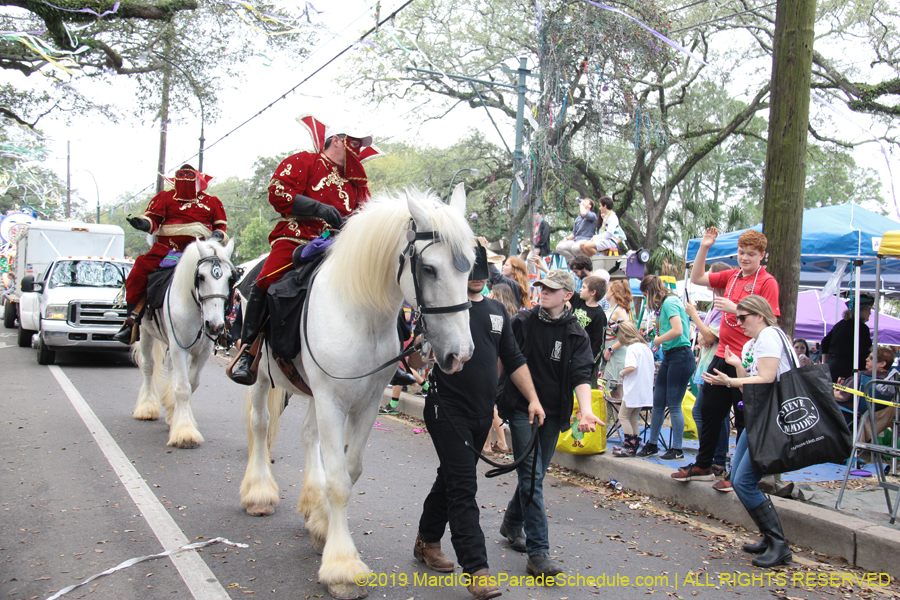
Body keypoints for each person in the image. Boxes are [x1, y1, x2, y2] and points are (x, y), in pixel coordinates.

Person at [415, 243, 543, 600]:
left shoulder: (497, 311)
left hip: (481, 413)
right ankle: (477, 569)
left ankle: (426, 539)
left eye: (479, 273)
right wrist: (419, 348)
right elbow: (414, 362)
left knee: (450, 479)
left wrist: (533, 399)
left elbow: (514, 359)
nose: (476, 279)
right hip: (446, 409)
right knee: (462, 486)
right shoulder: (442, 309)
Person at [230, 125, 374, 385]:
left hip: (340, 243)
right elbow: (279, 193)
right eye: (353, 142)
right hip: (298, 235)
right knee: (265, 279)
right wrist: (317, 206)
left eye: (359, 144)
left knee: (378, 280)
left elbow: (367, 213)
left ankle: (391, 357)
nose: (357, 149)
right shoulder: (304, 160)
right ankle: (247, 352)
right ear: (337, 141)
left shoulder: (357, 181)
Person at [499, 269, 604, 578]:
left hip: (554, 413)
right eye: (541, 287)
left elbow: (582, 375)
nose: (543, 292)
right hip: (521, 408)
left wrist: (585, 410)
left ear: (567, 296)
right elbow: (502, 359)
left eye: (551, 289)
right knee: (531, 476)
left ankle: (510, 523)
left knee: (534, 476)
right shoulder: (522, 322)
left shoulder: (575, 332)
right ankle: (538, 552)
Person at [699, 295, 797, 568]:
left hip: (769, 420)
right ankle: (770, 538)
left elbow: (766, 379)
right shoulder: (759, 341)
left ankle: (779, 544)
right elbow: (752, 387)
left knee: (742, 482)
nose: (738, 323)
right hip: (759, 418)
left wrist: (730, 378)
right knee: (741, 481)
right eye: (736, 318)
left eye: (742, 317)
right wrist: (737, 369)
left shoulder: (768, 336)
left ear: (760, 315)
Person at [678, 228, 780, 482]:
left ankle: (741, 474)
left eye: (751, 254)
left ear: (762, 256)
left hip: (747, 361)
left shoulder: (767, 282)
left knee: (745, 418)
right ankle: (707, 465)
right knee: (707, 410)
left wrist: (736, 309)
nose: (745, 258)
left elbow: (771, 320)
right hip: (723, 354)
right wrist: (704, 247)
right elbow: (698, 277)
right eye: (741, 253)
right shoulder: (732, 277)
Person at [113, 164, 228, 344]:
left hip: (200, 251)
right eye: (181, 177)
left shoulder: (212, 201)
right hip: (168, 249)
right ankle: (131, 322)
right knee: (139, 271)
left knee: (225, 275)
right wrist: (144, 224)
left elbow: (221, 227)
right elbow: (153, 220)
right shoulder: (165, 198)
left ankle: (225, 322)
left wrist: (217, 235)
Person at [635, 275, 695, 460]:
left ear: (650, 292)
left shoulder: (669, 302)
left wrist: (658, 340)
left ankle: (677, 449)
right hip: (670, 356)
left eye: (645, 295)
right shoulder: (665, 305)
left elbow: (677, 330)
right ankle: (652, 444)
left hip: (681, 356)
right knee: (658, 402)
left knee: (674, 404)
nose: (646, 300)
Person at [685, 262, 732, 483]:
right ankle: (714, 458)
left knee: (706, 413)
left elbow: (710, 337)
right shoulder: (716, 306)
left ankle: (716, 459)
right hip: (706, 363)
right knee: (712, 413)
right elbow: (705, 336)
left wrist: (694, 315)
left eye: (714, 281)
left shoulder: (725, 306)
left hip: (716, 364)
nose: (711, 286)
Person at [611, 321, 655, 457]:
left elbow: (631, 367)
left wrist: (621, 373)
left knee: (623, 416)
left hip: (633, 389)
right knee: (634, 417)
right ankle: (635, 443)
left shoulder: (632, 348)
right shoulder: (646, 348)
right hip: (644, 389)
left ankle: (629, 445)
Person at [821, 295, 874, 383]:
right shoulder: (861, 328)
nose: (870, 313)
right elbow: (863, 353)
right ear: (862, 311)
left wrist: (827, 362)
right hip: (846, 370)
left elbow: (825, 343)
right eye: (869, 309)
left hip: (831, 366)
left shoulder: (840, 324)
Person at [600, 280, 634, 401]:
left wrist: (611, 349)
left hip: (616, 353)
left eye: (608, 290)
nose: (606, 292)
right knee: (609, 392)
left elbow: (629, 334)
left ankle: (618, 419)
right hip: (609, 352)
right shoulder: (611, 310)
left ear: (613, 292)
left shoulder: (619, 311)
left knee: (616, 392)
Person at [528, 210, 551, 276]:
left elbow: (544, 238)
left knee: (530, 258)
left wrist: (535, 245)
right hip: (533, 246)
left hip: (541, 246)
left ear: (541, 215)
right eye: (533, 214)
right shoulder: (533, 225)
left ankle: (531, 276)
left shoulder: (544, 224)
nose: (534, 216)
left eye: (536, 214)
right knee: (520, 257)